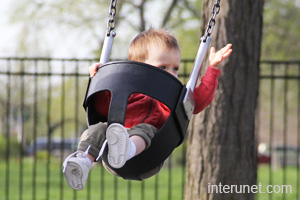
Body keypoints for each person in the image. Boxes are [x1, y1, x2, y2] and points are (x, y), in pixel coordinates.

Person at [62, 28, 232, 190]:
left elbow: (199, 101)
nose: (171, 74)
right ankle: (83, 161)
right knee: (98, 128)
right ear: (139, 68)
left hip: (148, 156)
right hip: (111, 155)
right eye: (163, 67)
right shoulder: (125, 92)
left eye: (175, 68)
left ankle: (128, 148)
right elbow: (99, 105)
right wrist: (100, 77)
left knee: (145, 129)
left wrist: (212, 69)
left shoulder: (173, 96)